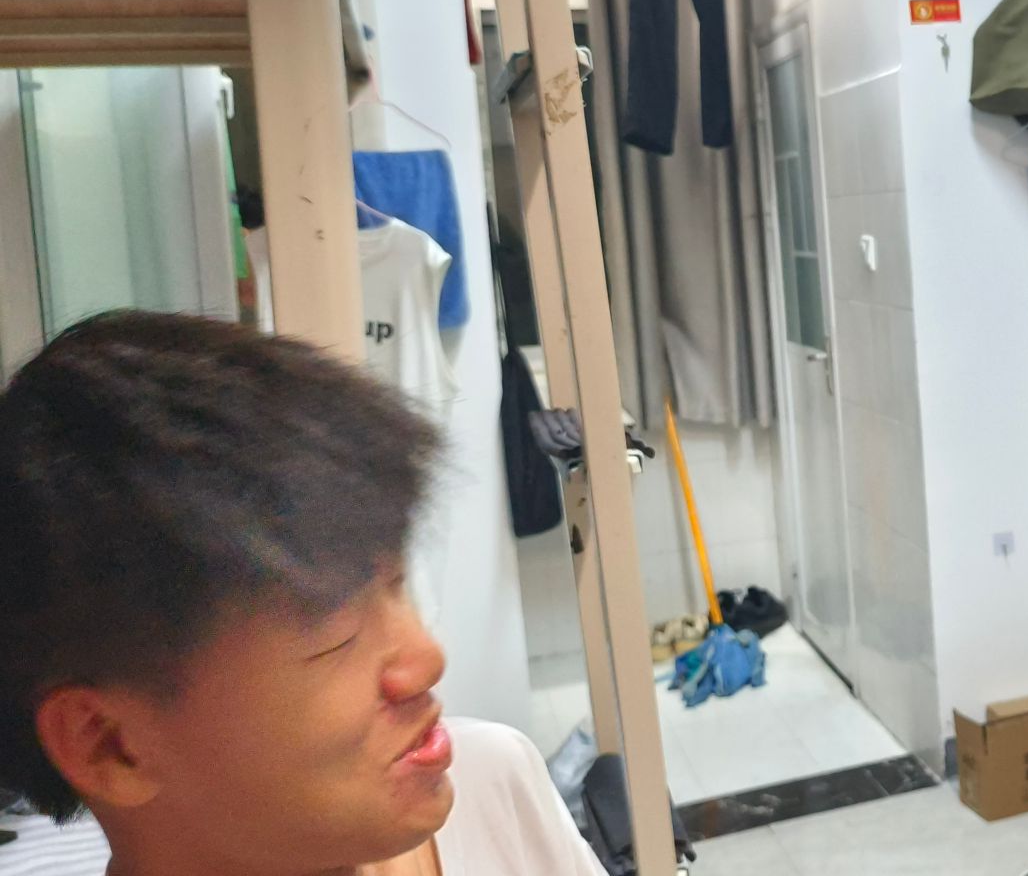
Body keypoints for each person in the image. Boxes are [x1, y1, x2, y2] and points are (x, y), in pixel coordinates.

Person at [0, 311, 605, 876]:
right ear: (111, 745)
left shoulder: (492, 785)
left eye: (397, 584)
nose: (425, 660)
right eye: (336, 633)